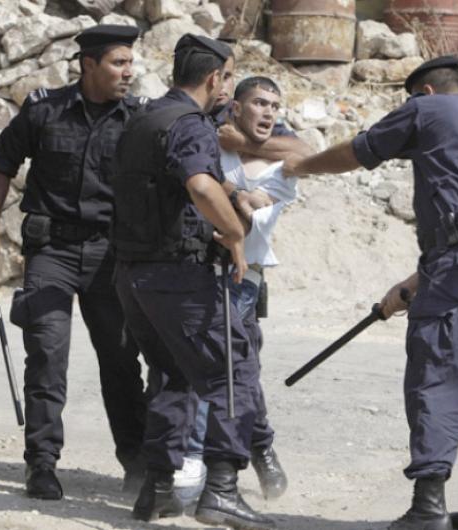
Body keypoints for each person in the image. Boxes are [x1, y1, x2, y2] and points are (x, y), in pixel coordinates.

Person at [284, 55, 458, 530]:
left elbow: (359, 152)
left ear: (427, 92)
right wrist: (415, 283)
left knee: (438, 374)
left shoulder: (426, 109)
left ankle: (428, 508)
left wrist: (302, 166)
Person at [0, 25, 148, 500]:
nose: (128, 72)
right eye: (118, 63)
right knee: (47, 356)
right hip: (52, 252)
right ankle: (42, 464)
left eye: (130, 63)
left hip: (110, 256)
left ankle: (137, 463)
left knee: (121, 359)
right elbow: (2, 166)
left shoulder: (138, 119)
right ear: (88, 65)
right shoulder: (44, 110)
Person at [111, 34, 276, 530]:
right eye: (229, 77)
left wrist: (234, 194)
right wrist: (234, 234)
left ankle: (157, 490)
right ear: (213, 78)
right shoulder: (191, 123)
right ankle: (222, 489)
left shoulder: (145, 117)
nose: (228, 85)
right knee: (235, 370)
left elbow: (184, 175)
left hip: (132, 275)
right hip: (178, 275)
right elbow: (199, 183)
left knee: (173, 374)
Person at [174, 76, 312, 504]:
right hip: (193, 269)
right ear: (235, 107)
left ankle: (200, 457)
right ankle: (259, 446)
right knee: (232, 368)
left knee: (224, 367)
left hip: (241, 278)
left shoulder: (281, 169)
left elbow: (246, 222)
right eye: (259, 103)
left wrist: (228, 190)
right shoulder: (211, 142)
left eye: (275, 105)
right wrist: (239, 193)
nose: (268, 112)